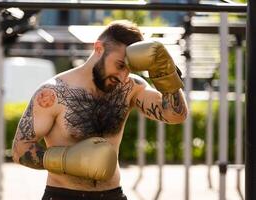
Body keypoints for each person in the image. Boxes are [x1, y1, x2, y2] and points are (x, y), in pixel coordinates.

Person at [12, 20, 188, 200]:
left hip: (112, 195)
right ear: (98, 48)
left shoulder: (129, 88)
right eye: (119, 65)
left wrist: (166, 74)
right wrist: (67, 160)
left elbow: (175, 115)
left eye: (128, 69)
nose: (122, 76)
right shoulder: (54, 93)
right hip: (62, 195)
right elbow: (20, 150)